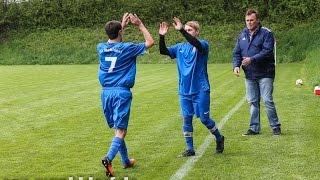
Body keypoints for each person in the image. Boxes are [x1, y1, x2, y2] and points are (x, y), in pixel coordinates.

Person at [97, 13, 154, 177]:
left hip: (106, 92)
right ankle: (108, 159)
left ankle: (126, 161)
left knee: (117, 129)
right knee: (121, 131)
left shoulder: (101, 47)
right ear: (120, 32)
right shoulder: (127, 48)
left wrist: (121, 26)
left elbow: (114, 42)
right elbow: (150, 42)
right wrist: (140, 25)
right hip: (121, 92)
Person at [158, 17, 225, 156]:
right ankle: (190, 149)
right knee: (186, 118)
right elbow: (163, 51)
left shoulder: (203, 45)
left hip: (200, 88)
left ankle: (219, 138)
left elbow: (195, 43)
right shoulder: (179, 47)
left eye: (190, 30)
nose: (187, 32)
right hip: (184, 90)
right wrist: (161, 36)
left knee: (205, 119)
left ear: (197, 32)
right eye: (186, 29)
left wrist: (182, 30)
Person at [232, 9, 281, 136]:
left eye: (252, 20)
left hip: (265, 73)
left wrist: (251, 59)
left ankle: (275, 126)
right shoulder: (242, 34)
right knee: (253, 101)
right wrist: (236, 66)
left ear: (257, 20)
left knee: (267, 100)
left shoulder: (266, 33)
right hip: (249, 74)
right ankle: (254, 128)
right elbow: (237, 53)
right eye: (247, 20)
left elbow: (267, 51)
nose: (249, 22)